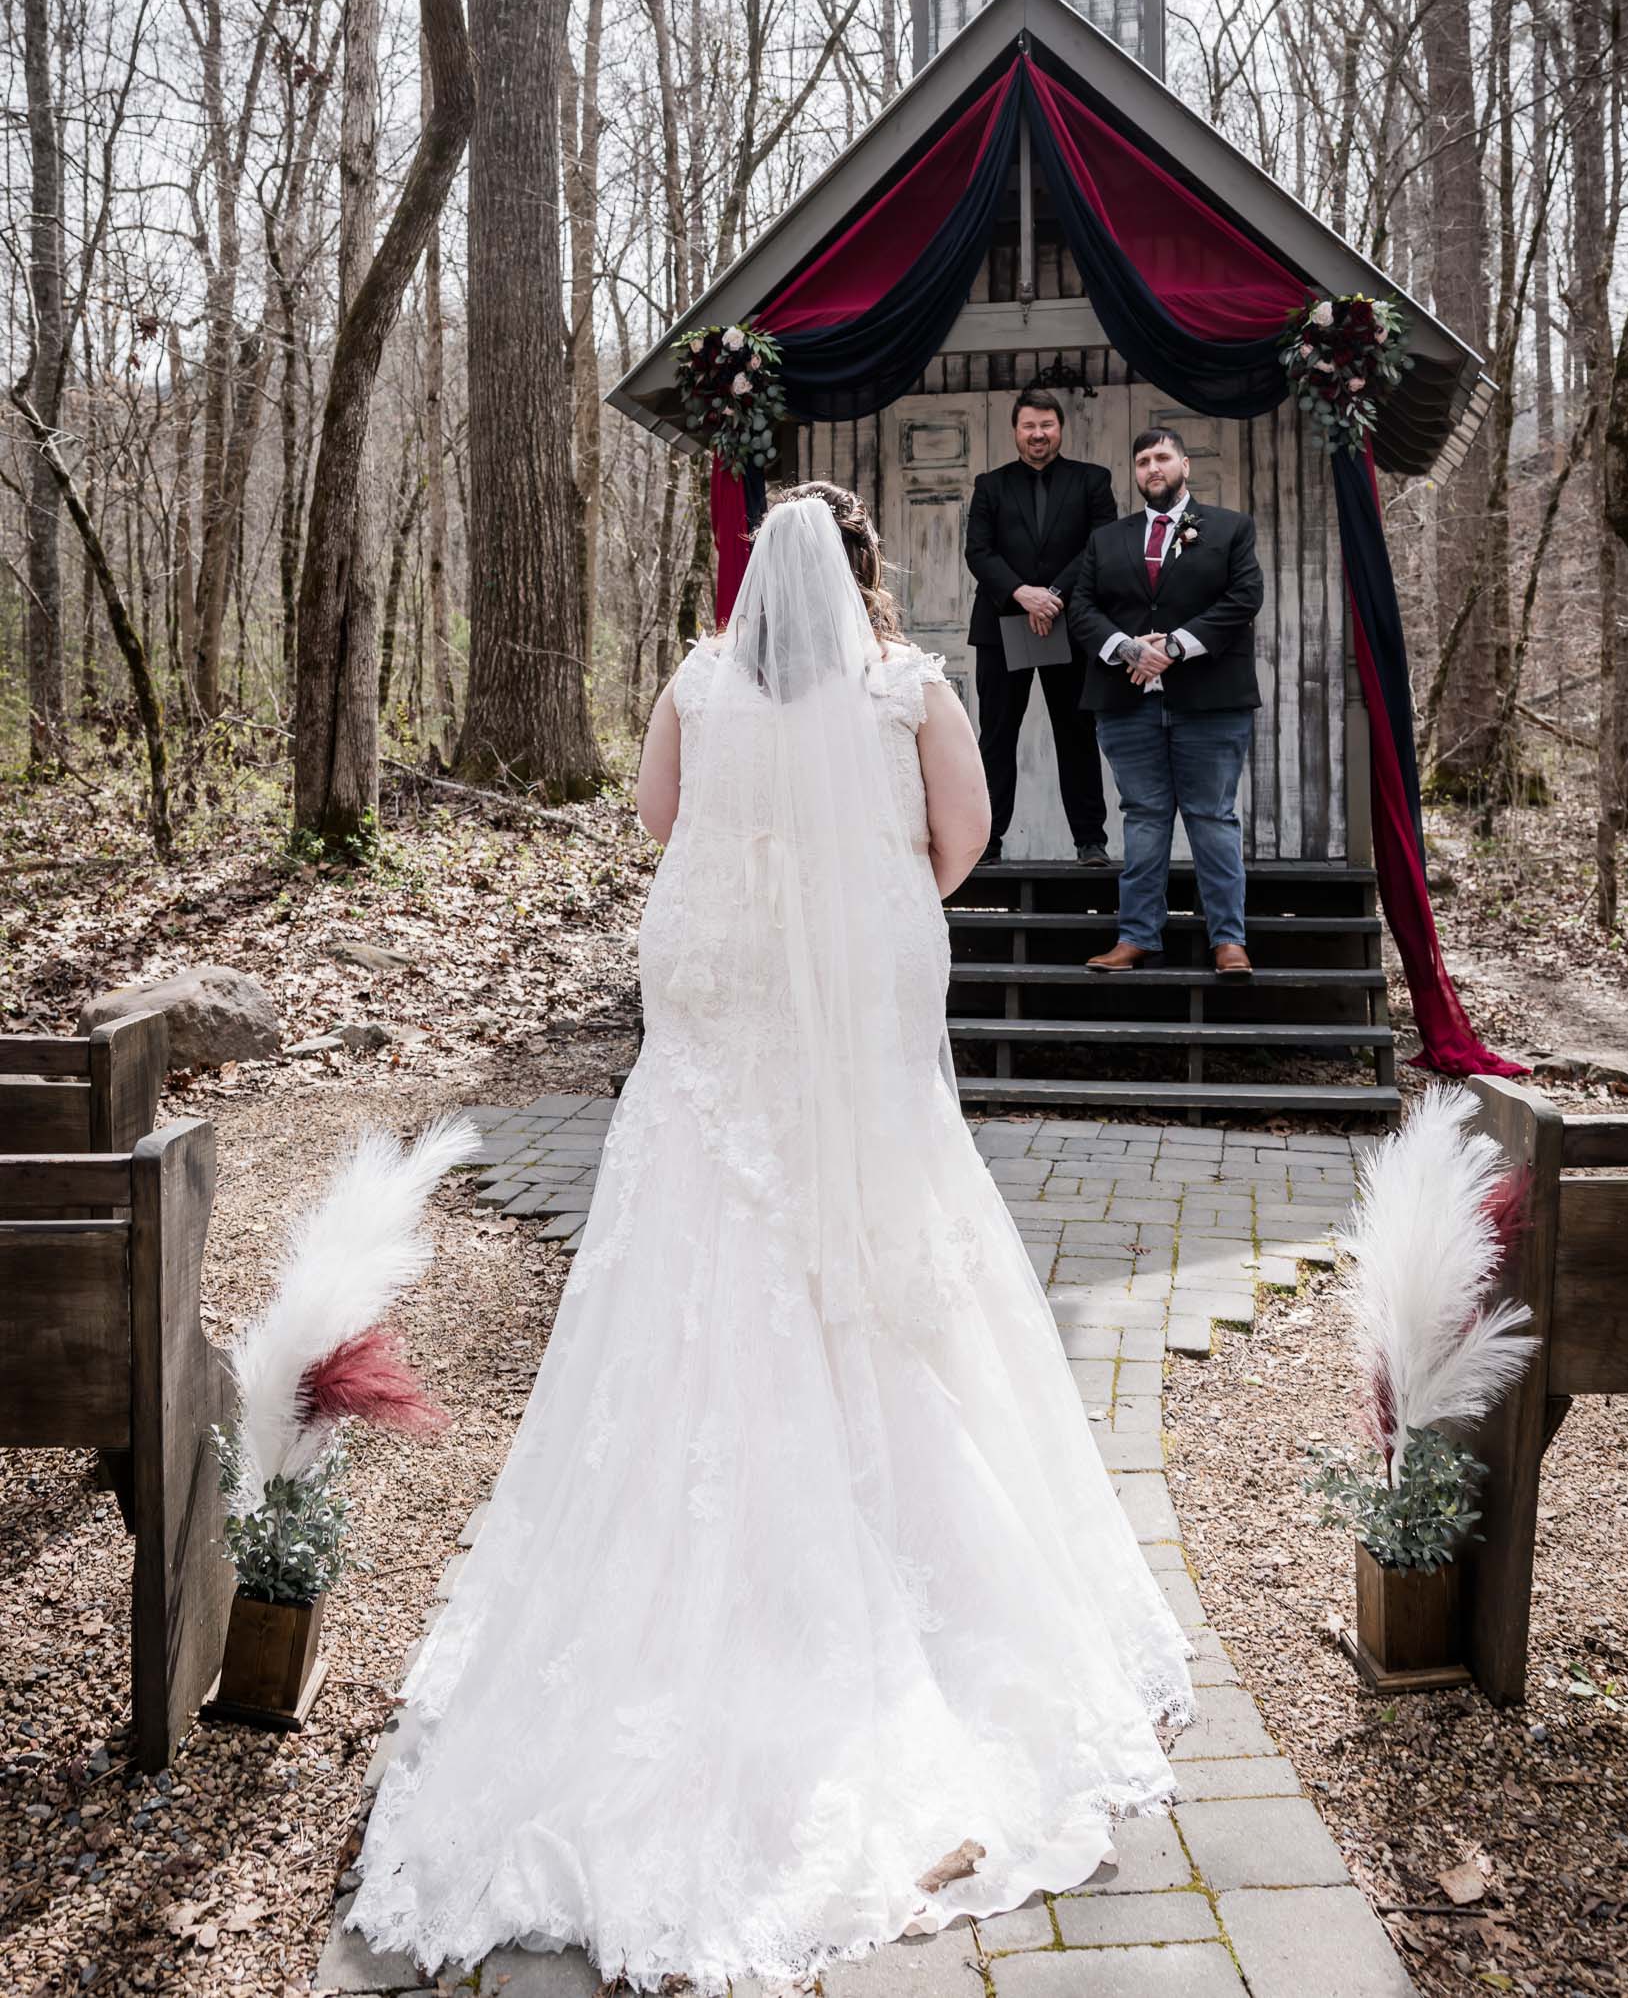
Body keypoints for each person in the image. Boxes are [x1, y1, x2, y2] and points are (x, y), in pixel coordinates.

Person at [347, 484, 1194, 1991]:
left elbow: (664, 820)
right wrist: (857, 910)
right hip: (841, 1025)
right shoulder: (908, 684)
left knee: (693, 1246)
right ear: (865, 575)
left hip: (712, 1014)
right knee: (868, 1251)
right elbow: (966, 835)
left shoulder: (693, 681)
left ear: (752, 589)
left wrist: (777, 895)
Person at [1067, 428, 1263, 976]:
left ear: (1184, 465)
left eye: (1162, 457)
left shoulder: (1229, 528)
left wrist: (1176, 646)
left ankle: (1228, 940)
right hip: (1127, 705)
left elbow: (1244, 597)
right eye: (1143, 461)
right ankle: (1137, 936)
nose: (1153, 467)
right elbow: (1082, 607)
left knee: (1212, 818)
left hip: (1211, 702)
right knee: (1144, 819)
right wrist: (1126, 647)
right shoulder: (1108, 539)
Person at [964, 389, 1118, 863]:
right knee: (996, 735)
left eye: (1046, 425)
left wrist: (1052, 596)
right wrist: (1021, 593)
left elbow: (1101, 544)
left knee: (1076, 732)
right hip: (1002, 625)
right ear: (1015, 431)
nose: (1038, 434)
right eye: (1029, 426)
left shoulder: (1092, 480)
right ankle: (987, 841)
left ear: (1060, 429)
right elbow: (978, 552)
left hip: (1068, 624)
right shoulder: (990, 485)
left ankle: (1090, 841)